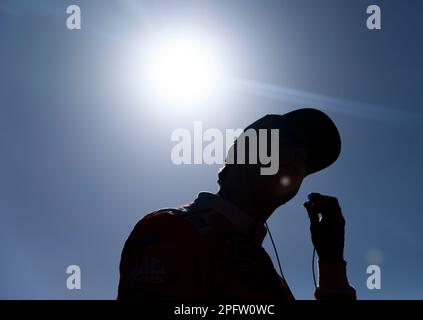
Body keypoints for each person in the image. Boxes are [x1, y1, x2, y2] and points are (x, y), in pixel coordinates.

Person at [117, 108, 356, 300]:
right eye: (287, 142)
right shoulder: (170, 229)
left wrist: (331, 263)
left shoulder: (265, 269)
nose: (299, 157)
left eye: (306, 160)